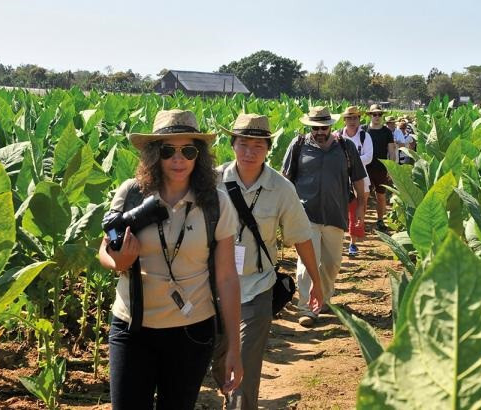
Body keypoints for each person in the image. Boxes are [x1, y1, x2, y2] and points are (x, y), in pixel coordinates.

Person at [98, 109, 243, 409]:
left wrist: (234, 348)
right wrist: (118, 262)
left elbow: (227, 277)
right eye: (168, 151)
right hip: (132, 328)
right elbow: (104, 250)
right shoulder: (132, 194)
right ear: (154, 154)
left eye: (188, 150)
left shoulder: (216, 203)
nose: (179, 159)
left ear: (198, 156)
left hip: (191, 332)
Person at [212, 113, 325, 410]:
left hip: (256, 286)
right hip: (212, 290)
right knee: (219, 357)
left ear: (268, 148)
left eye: (258, 146)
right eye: (243, 144)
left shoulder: (282, 188)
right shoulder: (212, 182)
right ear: (232, 144)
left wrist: (315, 280)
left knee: (246, 360)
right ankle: (228, 393)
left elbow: (301, 237)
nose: (250, 152)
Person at [281, 106, 366, 327]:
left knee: (331, 263)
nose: (319, 132)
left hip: (335, 214)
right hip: (305, 215)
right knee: (307, 262)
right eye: (315, 128)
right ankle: (307, 307)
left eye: (324, 127)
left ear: (331, 126)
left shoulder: (345, 147)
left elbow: (358, 178)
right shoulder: (299, 145)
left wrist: (361, 206)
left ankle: (324, 298)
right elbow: (285, 179)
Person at [338, 106, 373, 257]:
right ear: (344, 120)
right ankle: (339, 242)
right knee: (340, 211)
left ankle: (353, 243)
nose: (352, 121)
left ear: (359, 119)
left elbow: (369, 156)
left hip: (361, 178)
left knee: (358, 210)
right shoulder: (337, 136)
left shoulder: (365, 136)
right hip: (341, 179)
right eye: (349, 118)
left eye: (355, 118)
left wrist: (350, 160)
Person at [363, 104, 396, 233]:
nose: (377, 117)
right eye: (374, 114)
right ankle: (362, 220)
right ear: (370, 115)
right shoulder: (364, 130)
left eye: (379, 114)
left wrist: (391, 168)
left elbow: (392, 151)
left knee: (381, 196)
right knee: (364, 196)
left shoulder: (386, 131)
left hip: (381, 168)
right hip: (366, 168)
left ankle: (380, 220)